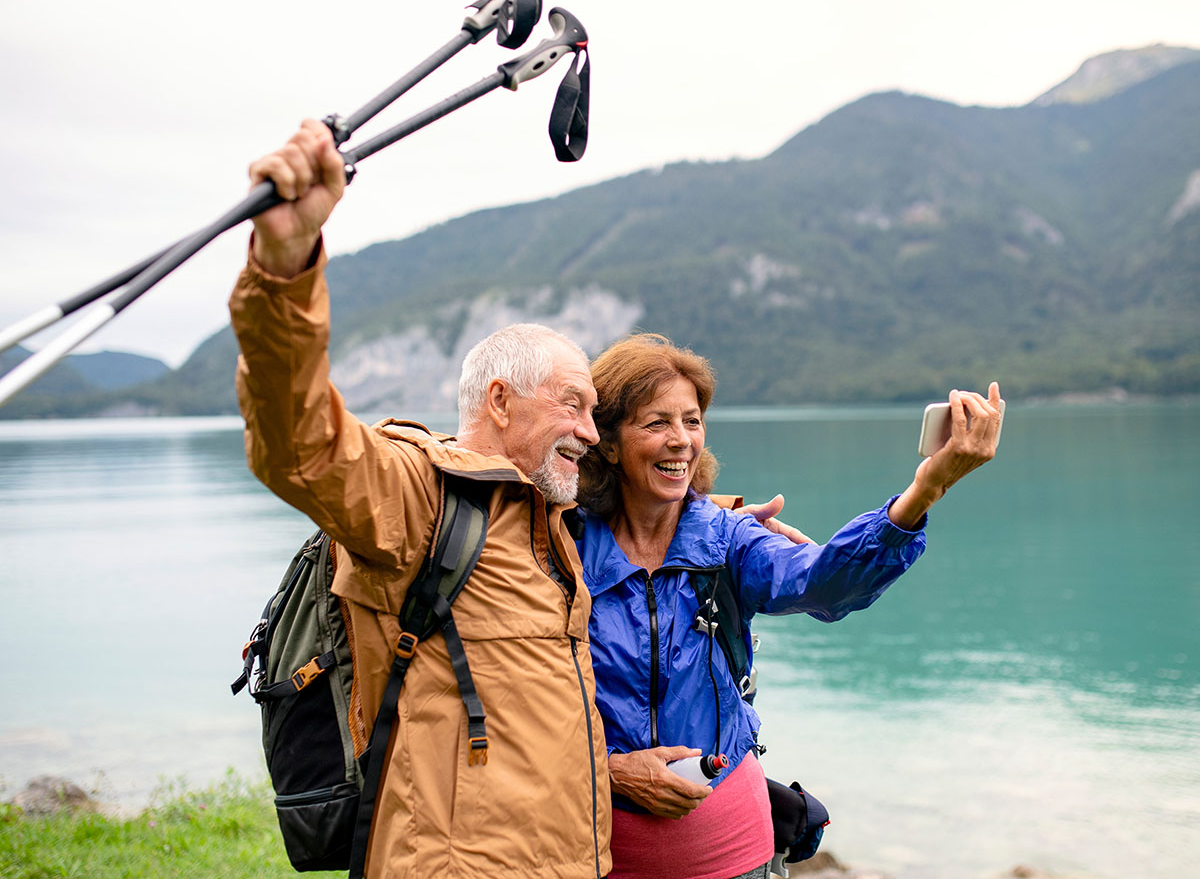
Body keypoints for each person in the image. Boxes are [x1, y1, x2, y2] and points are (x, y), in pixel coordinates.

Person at [229, 119, 612, 878]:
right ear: (500, 401)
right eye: (574, 405)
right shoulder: (419, 495)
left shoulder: (547, 519)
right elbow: (300, 445)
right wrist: (283, 271)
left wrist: (724, 523)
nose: (591, 433)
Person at [574, 334, 1003, 879]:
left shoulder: (729, 540)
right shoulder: (561, 548)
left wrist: (924, 491)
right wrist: (610, 769)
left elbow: (822, 582)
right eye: (657, 423)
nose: (681, 441)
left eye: (692, 421)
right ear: (608, 443)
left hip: (735, 851)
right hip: (596, 853)